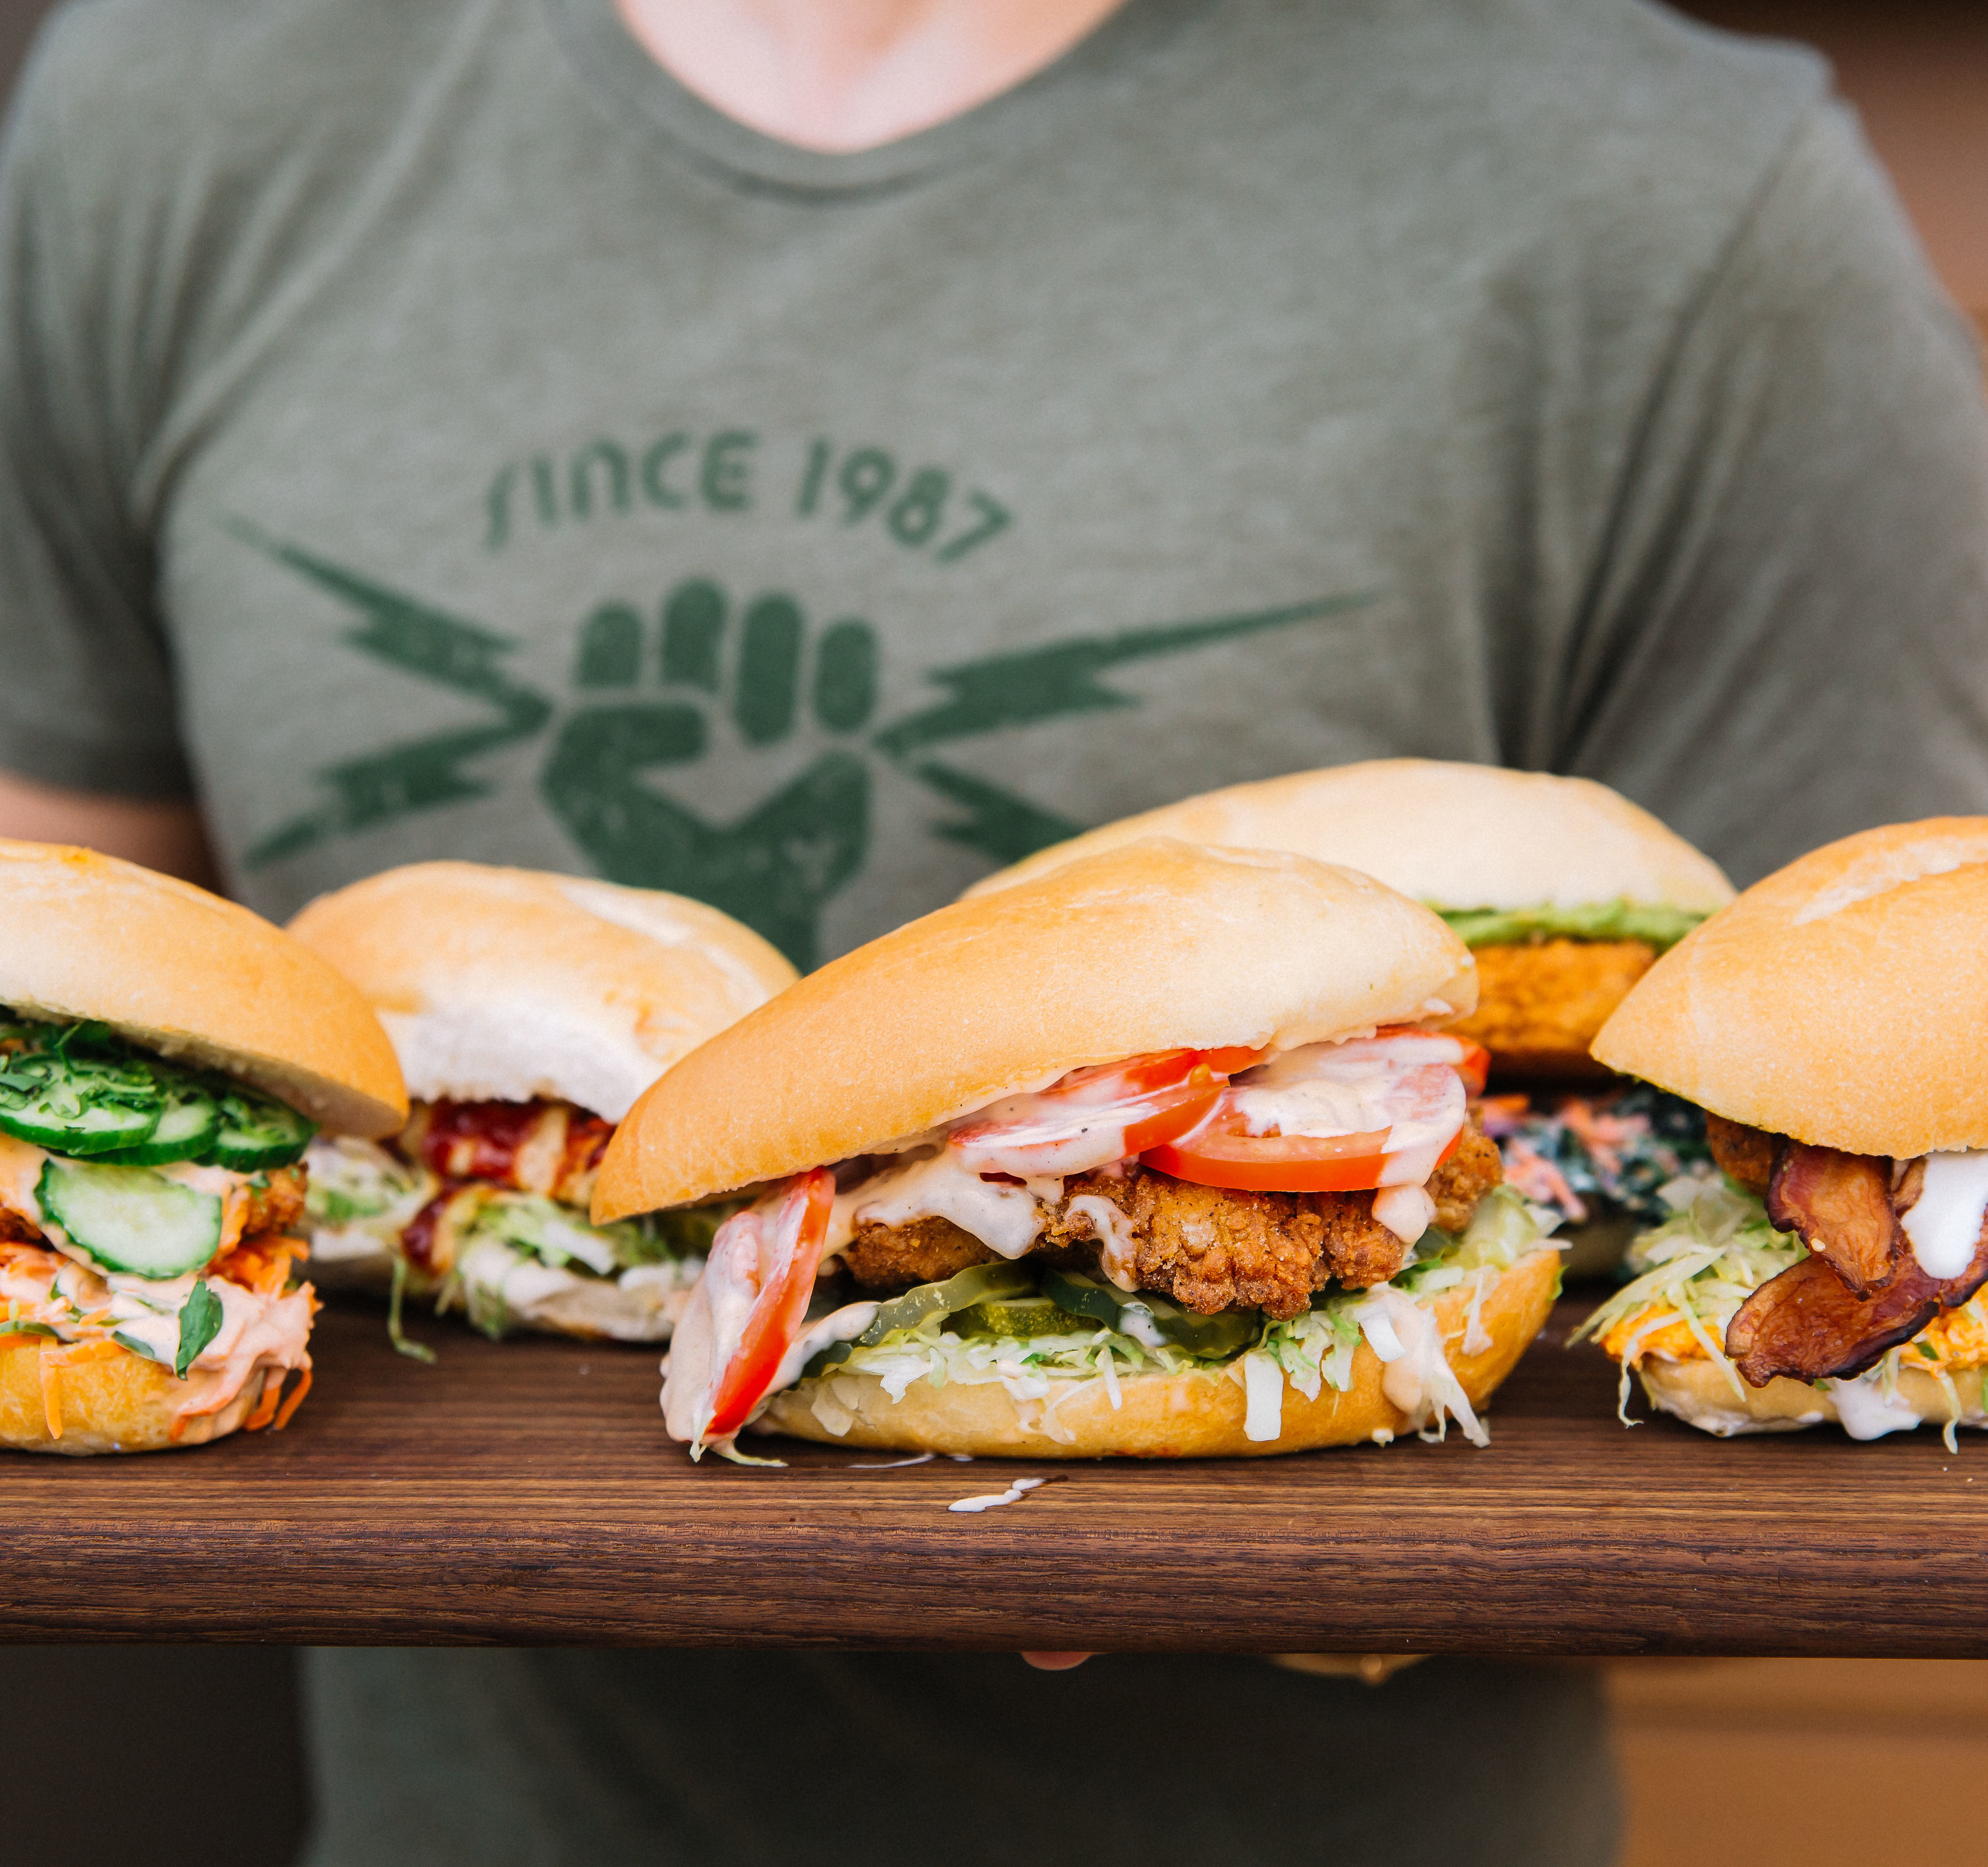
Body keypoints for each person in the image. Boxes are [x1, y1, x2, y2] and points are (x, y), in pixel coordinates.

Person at [0, 0, 1983, 1860]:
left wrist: (1317, 1571)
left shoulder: (1690, 207)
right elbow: (74, 971)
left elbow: (1866, 1371)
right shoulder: (177, 96)